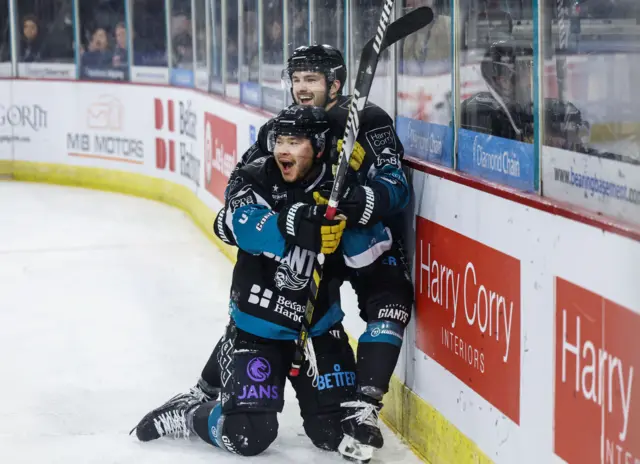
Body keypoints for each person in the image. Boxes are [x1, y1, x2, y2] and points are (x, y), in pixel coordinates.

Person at [132, 105, 359, 456]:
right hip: (260, 330)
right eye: (280, 140)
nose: (283, 149)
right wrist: (295, 226)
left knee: (336, 433)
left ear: (317, 147)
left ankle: (219, 383)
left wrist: (348, 228)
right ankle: (191, 414)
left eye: (295, 141)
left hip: (317, 330)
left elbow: (366, 248)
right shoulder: (256, 176)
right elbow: (238, 225)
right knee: (248, 435)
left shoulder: (338, 186)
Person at [459, 39, 535, 143]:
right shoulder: (484, 114)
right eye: (526, 72)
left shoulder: (514, 110)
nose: (530, 83)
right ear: (503, 81)